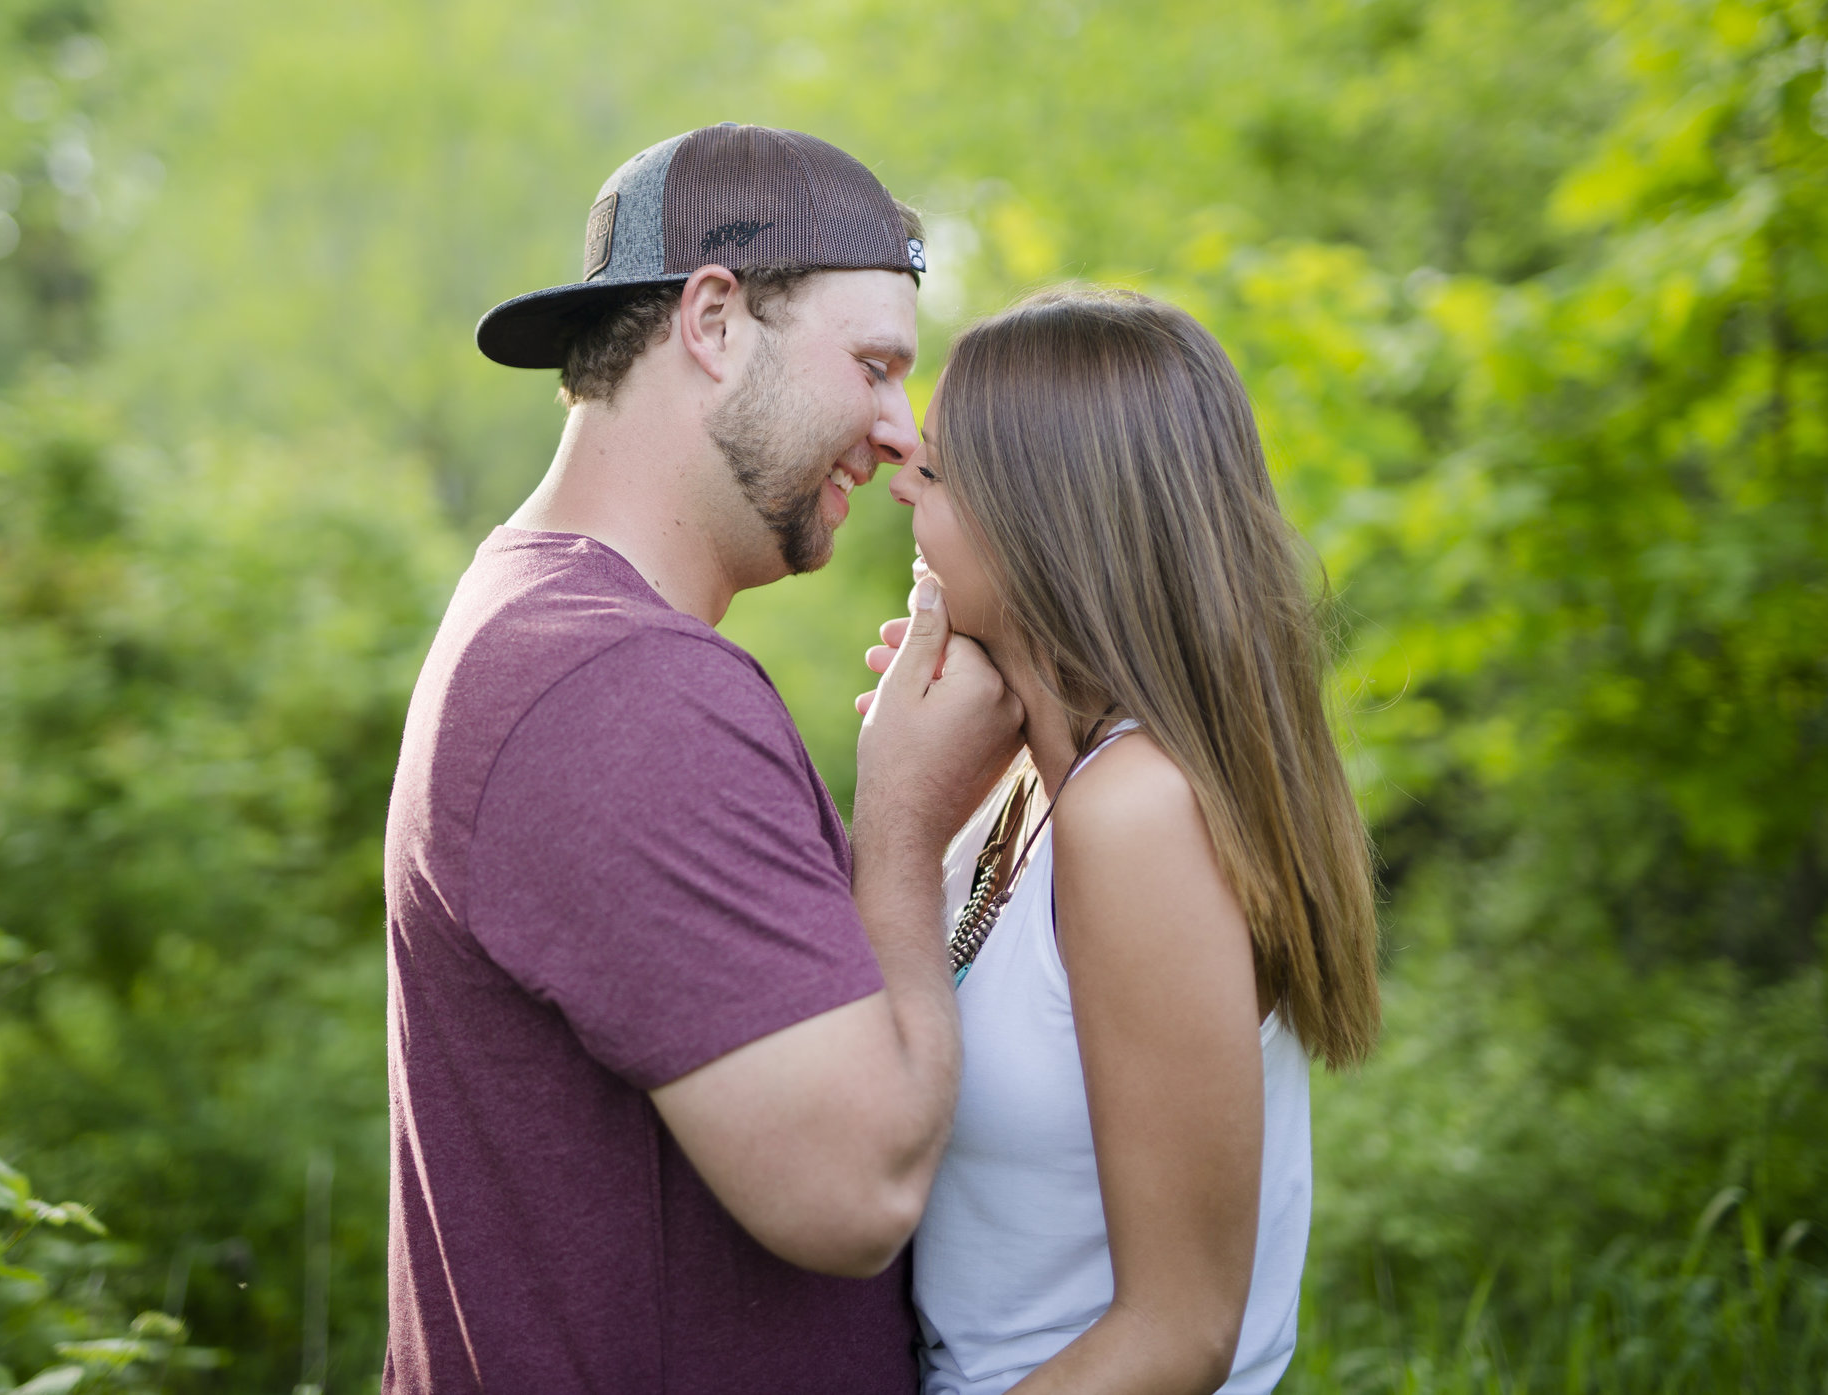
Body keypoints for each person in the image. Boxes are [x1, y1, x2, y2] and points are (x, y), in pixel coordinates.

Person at [382, 123, 1024, 1393]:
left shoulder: (540, 621)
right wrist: (899, 818)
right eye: (876, 365)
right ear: (716, 322)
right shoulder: (620, 685)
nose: (904, 430)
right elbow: (857, 1187)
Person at [862, 288, 1383, 1395]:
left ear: (1046, 525)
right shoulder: (1025, 791)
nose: (902, 472)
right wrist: (923, 794)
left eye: (942, 471)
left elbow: (1180, 1332)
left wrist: (894, 813)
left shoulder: (1139, 816)